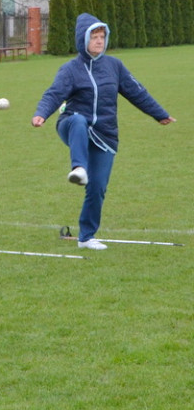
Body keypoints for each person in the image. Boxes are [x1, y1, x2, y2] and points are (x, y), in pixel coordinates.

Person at [32, 13, 175, 249]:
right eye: (94, 37)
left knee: (97, 188)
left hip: (105, 133)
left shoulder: (114, 66)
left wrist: (159, 113)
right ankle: (78, 168)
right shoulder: (70, 69)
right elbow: (53, 94)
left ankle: (86, 237)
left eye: (102, 36)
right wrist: (41, 113)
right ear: (83, 39)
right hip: (72, 126)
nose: (99, 41)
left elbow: (137, 91)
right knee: (78, 120)